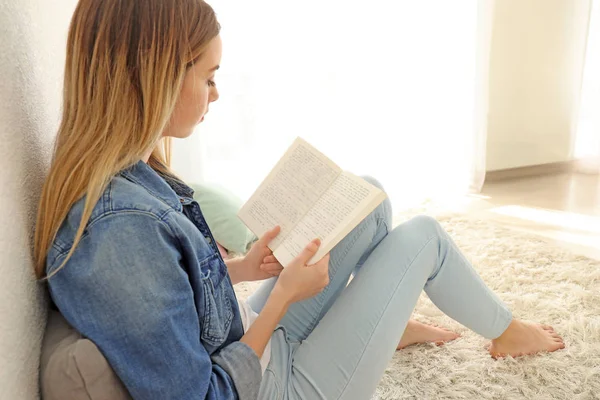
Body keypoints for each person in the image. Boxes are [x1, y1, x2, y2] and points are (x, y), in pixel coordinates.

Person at [33, 1, 565, 399]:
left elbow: (175, 297)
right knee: (423, 235)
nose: (216, 95)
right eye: (208, 77)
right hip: (274, 386)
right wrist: (283, 295)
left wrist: (241, 270)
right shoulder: (119, 229)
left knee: (369, 193)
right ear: (154, 80)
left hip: (246, 342)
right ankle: (506, 333)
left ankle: (380, 319)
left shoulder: (127, 179)